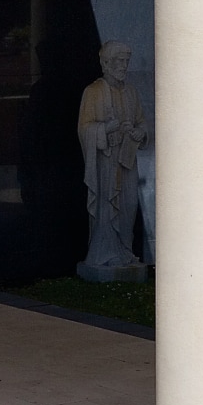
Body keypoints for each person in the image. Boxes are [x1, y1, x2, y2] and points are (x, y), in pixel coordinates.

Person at [76, 41, 149, 282]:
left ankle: (125, 251)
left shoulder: (131, 92)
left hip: (126, 162)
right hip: (105, 163)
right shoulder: (93, 92)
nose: (124, 66)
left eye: (127, 61)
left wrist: (140, 133)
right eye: (120, 61)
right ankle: (106, 254)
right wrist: (106, 129)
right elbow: (84, 129)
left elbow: (142, 123)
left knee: (128, 206)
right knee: (107, 207)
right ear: (106, 63)